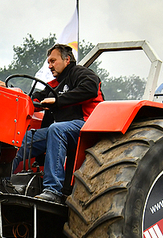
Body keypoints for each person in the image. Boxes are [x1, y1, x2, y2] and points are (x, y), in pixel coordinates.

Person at [9, 44, 104, 203]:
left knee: (56, 129)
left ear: (67, 60)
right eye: (48, 62)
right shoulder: (53, 84)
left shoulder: (80, 73)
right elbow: (36, 97)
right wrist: (14, 93)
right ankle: (2, 181)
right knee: (22, 139)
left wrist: (57, 101)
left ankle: (53, 190)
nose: (49, 65)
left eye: (53, 61)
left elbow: (90, 88)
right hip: (61, 130)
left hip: (87, 125)